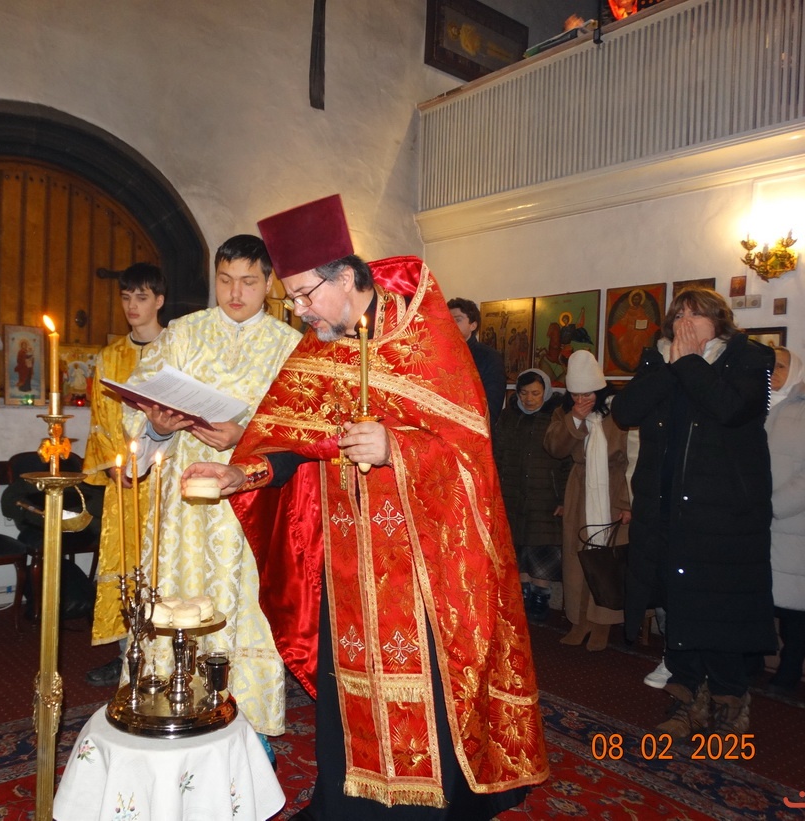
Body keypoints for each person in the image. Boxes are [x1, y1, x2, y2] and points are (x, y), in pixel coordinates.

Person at [183, 195, 546, 819]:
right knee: (343, 683)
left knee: (428, 685)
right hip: (348, 560)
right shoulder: (321, 346)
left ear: (347, 277)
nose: (300, 311)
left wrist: (396, 447)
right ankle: (348, 803)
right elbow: (293, 438)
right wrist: (243, 472)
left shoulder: (425, 335)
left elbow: (470, 452)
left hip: (423, 565)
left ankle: (426, 807)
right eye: (292, 301)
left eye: (304, 295)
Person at [127, 235, 301, 751]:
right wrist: (157, 426)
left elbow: (299, 432)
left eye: (248, 281)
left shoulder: (290, 346)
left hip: (250, 508)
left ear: (268, 283)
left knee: (245, 608)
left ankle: (247, 738)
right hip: (184, 506)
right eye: (225, 280)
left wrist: (244, 436)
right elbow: (137, 410)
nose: (235, 293)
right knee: (177, 599)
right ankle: (170, 714)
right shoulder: (181, 334)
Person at [611, 287, 775, 736]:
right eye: (679, 314)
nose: (685, 321)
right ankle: (686, 698)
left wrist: (688, 363)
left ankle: (730, 701)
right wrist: (672, 365)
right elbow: (625, 410)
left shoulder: (749, 358)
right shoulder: (660, 359)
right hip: (667, 509)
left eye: (696, 314)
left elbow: (731, 409)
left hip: (724, 514)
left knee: (720, 609)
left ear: (718, 321)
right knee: (678, 604)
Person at [81, 262, 166, 686]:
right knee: (124, 564)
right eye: (127, 297)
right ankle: (126, 655)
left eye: (142, 297)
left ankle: (165, 656)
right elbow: (100, 422)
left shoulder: (177, 349)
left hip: (165, 484)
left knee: (163, 566)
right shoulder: (109, 357)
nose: (133, 306)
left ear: (159, 301)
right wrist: (115, 470)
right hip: (124, 483)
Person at [544, 350, 630, 652]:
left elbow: (631, 458)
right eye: (576, 395)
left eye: (588, 394)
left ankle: (602, 622)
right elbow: (554, 448)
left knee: (606, 559)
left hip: (612, 490)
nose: (582, 399)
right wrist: (575, 420)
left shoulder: (619, 411)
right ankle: (579, 619)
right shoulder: (564, 413)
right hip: (579, 491)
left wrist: (626, 503)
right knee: (578, 557)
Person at [763, 347, 805, 695]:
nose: (772, 371)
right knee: (756, 598)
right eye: (768, 366)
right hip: (756, 522)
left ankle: (789, 672)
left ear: (797, 369)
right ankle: (751, 662)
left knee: (795, 607)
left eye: (781, 366)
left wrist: (774, 505)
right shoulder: (752, 406)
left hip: (798, 522)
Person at [494, 368, 570, 623]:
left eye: (535, 393)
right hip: (512, 493)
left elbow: (566, 460)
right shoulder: (508, 417)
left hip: (545, 495)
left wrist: (563, 498)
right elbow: (497, 454)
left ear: (546, 392)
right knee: (518, 546)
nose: (529, 399)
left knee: (541, 547)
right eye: (524, 393)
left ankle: (540, 596)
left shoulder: (556, 416)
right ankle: (522, 594)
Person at [448, 298, 506, 429]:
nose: (451, 324)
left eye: (457, 319)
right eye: (448, 319)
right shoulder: (438, 354)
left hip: (472, 430)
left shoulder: (489, 357)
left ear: (473, 325)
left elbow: (492, 406)